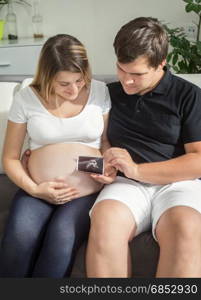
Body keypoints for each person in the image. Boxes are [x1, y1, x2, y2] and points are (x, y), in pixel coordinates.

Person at [86, 17, 201, 278]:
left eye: (137, 74)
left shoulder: (189, 96)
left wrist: (138, 170)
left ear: (161, 63)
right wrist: (99, 168)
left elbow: (198, 160)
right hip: (125, 185)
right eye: (121, 69)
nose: (126, 81)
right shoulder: (108, 94)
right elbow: (86, 145)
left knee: (187, 226)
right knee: (105, 220)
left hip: (178, 184)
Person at [0, 34, 115, 277]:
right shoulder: (26, 99)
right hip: (38, 188)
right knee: (20, 236)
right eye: (64, 84)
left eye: (79, 80)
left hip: (85, 190)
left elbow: (105, 143)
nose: (73, 89)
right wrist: (34, 189)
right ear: (46, 76)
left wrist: (107, 168)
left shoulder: (100, 91)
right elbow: (10, 157)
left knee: (62, 236)